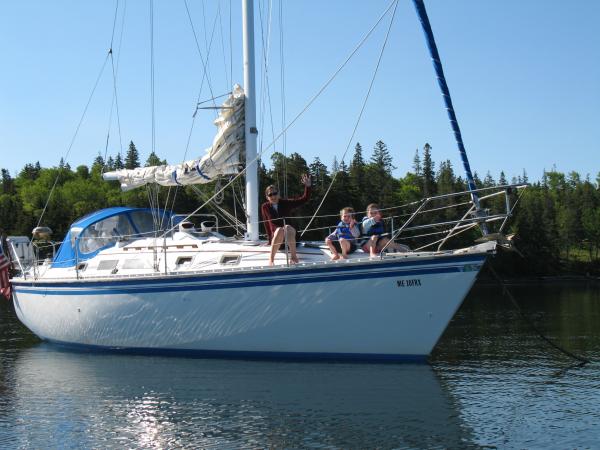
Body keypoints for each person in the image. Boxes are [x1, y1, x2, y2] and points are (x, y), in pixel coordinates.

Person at [261, 174, 312, 265]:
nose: (273, 196)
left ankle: (293, 256)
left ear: (278, 194)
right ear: (267, 197)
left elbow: (304, 199)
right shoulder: (265, 207)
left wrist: (307, 187)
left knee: (287, 227)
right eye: (270, 194)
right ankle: (271, 259)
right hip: (278, 241)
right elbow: (266, 223)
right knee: (279, 230)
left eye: (275, 193)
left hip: (290, 237)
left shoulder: (285, 203)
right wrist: (269, 240)